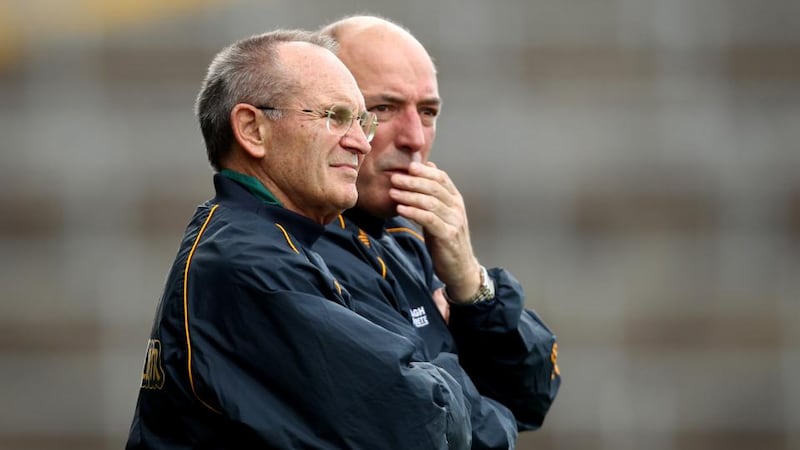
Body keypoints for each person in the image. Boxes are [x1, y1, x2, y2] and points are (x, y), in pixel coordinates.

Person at [125, 29, 473, 449]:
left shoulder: (268, 243)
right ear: (252, 129)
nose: (361, 143)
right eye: (335, 117)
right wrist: (443, 352)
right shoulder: (250, 264)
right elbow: (424, 419)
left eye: (362, 121)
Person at [314, 16, 561, 448]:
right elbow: (439, 430)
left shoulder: (407, 240)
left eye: (427, 112)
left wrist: (470, 284)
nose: (413, 137)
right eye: (383, 109)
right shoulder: (300, 244)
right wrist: (492, 415)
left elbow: (533, 395)